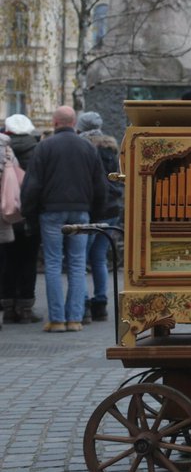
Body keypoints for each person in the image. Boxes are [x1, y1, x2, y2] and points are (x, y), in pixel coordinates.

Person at [19, 106, 107, 332]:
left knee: (53, 263)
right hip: (81, 211)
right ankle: (75, 318)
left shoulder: (44, 147)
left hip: (51, 212)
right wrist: (95, 215)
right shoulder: (88, 147)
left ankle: (57, 319)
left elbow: (32, 185)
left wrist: (30, 215)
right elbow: (100, 186)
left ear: (55, 122)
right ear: (74, 122)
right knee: (78, 265)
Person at [76, 111, 123, 322]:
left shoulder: (83, 147)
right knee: (100, 257)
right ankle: (101, 303)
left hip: (93, 208)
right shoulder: (111, 148)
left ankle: (84, 303)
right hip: (112, 208)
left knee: (82, 257)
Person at [0, 114, 41, 325]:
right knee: (28, 261)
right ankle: (25, 308)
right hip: (29, 215)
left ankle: (7, 307)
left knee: (6, 260)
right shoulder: (38, 150)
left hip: (6, 214)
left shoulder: (3, 149)